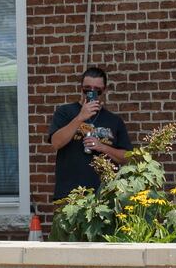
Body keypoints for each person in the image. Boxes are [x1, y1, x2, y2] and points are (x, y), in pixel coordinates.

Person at [46, 66, 132, 206]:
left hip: (104, 195)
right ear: (81, 88)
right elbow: (56, 143)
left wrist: (102, 147)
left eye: (96, 90)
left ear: (104, 90)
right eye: (87, 89)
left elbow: (127, 157)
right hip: (70, 195)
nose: (91, 93)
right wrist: (80, 117)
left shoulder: (114, 121)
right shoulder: (65, 112)